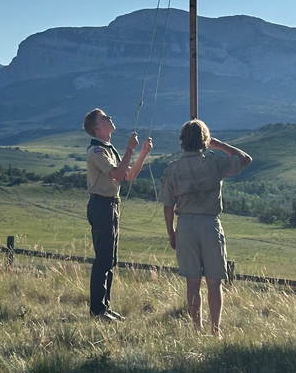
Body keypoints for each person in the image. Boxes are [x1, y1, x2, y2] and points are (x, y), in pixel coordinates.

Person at [158, 119, 252, 336]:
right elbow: (245, 159)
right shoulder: (214, 162)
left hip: (185, 225)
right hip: (210, 224)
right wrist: (220, 145)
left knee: (192, 281)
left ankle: (196, 328)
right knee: (214, 281)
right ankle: (215, 330)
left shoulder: (173, 168)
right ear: (205, 140)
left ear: (182, 141)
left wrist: (171, 232)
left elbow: (168, 206)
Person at [82, 108, 151, 320]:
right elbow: (118, 174)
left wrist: (142, 153)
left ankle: (105, 306)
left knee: (110, 259)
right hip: (102, 205)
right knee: (103, 259)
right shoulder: (97, 151)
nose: (109, 118)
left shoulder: (107, 149)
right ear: (96, 127)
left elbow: (128, 175)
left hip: (111, 204)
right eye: (104, 118)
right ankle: (97, 310)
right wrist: (130, 149)